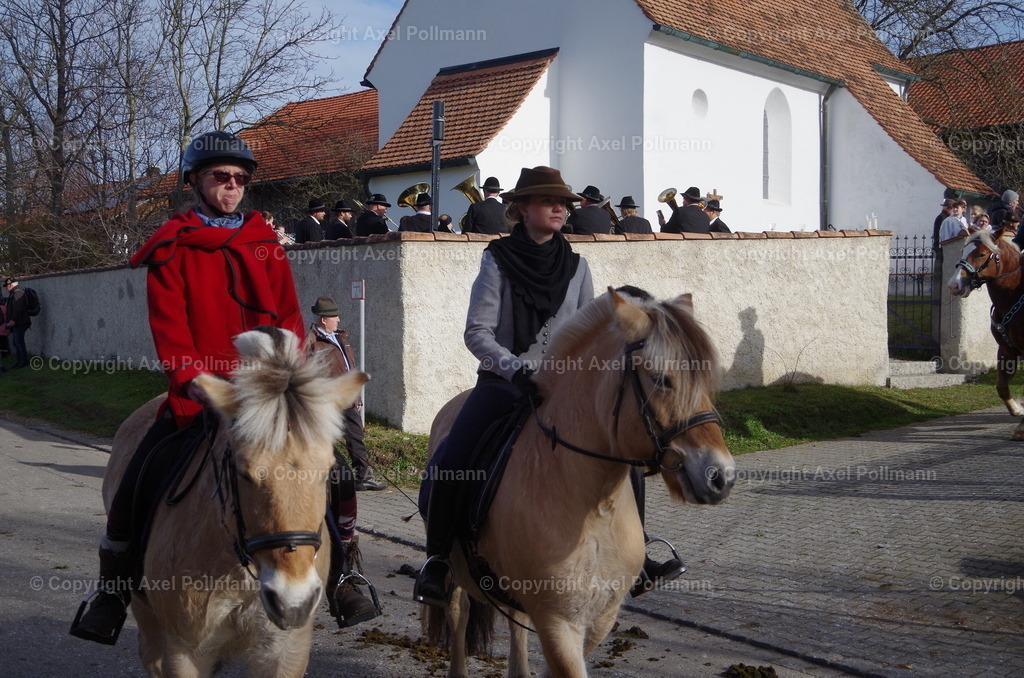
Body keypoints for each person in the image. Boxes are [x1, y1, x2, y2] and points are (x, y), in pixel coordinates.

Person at [70, 130, 305, 646]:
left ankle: (347, 568)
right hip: (199, 394)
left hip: (265, 391)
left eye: (240, 179)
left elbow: (289, 316)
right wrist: (197, 383)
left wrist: (289, 373)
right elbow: (170, 330)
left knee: (327, 465)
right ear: (195, 181)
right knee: (139, 473)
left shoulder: (265, 242)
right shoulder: (172, 246)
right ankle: (112, 590)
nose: (232, 186)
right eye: (220, 177)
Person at [412, 166, 686, 607]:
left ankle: (640, 551)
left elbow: (593, 334)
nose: (560, 208)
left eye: (564, 202)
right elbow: (477, 332)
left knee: (627, 453)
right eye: (547, 201)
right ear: (522, 209)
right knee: (453, 457)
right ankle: (438, 560)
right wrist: (516, 369)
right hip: (506, 382)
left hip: (563, 388)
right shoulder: (496, 258)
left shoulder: (578, 266)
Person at [304, 295, 383, 627]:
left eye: (337, 316)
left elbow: (348, 370)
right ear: (323, 320)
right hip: (295, 411)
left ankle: (342, 573)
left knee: (342, 478)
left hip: (342, 404)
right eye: (333, 316)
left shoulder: (340, 340)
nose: (338, 319)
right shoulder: (308, 343)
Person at [3, 278, 31, 369]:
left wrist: (13, 319)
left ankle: (23, 361)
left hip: (20, 322)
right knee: (16, 342)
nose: (6, 288)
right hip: (18, 322)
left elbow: (18, 308)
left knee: (19, 342)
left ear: (10, 285)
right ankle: (19, 361)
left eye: (6, 286)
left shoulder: (18, 293)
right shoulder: (14, 293)